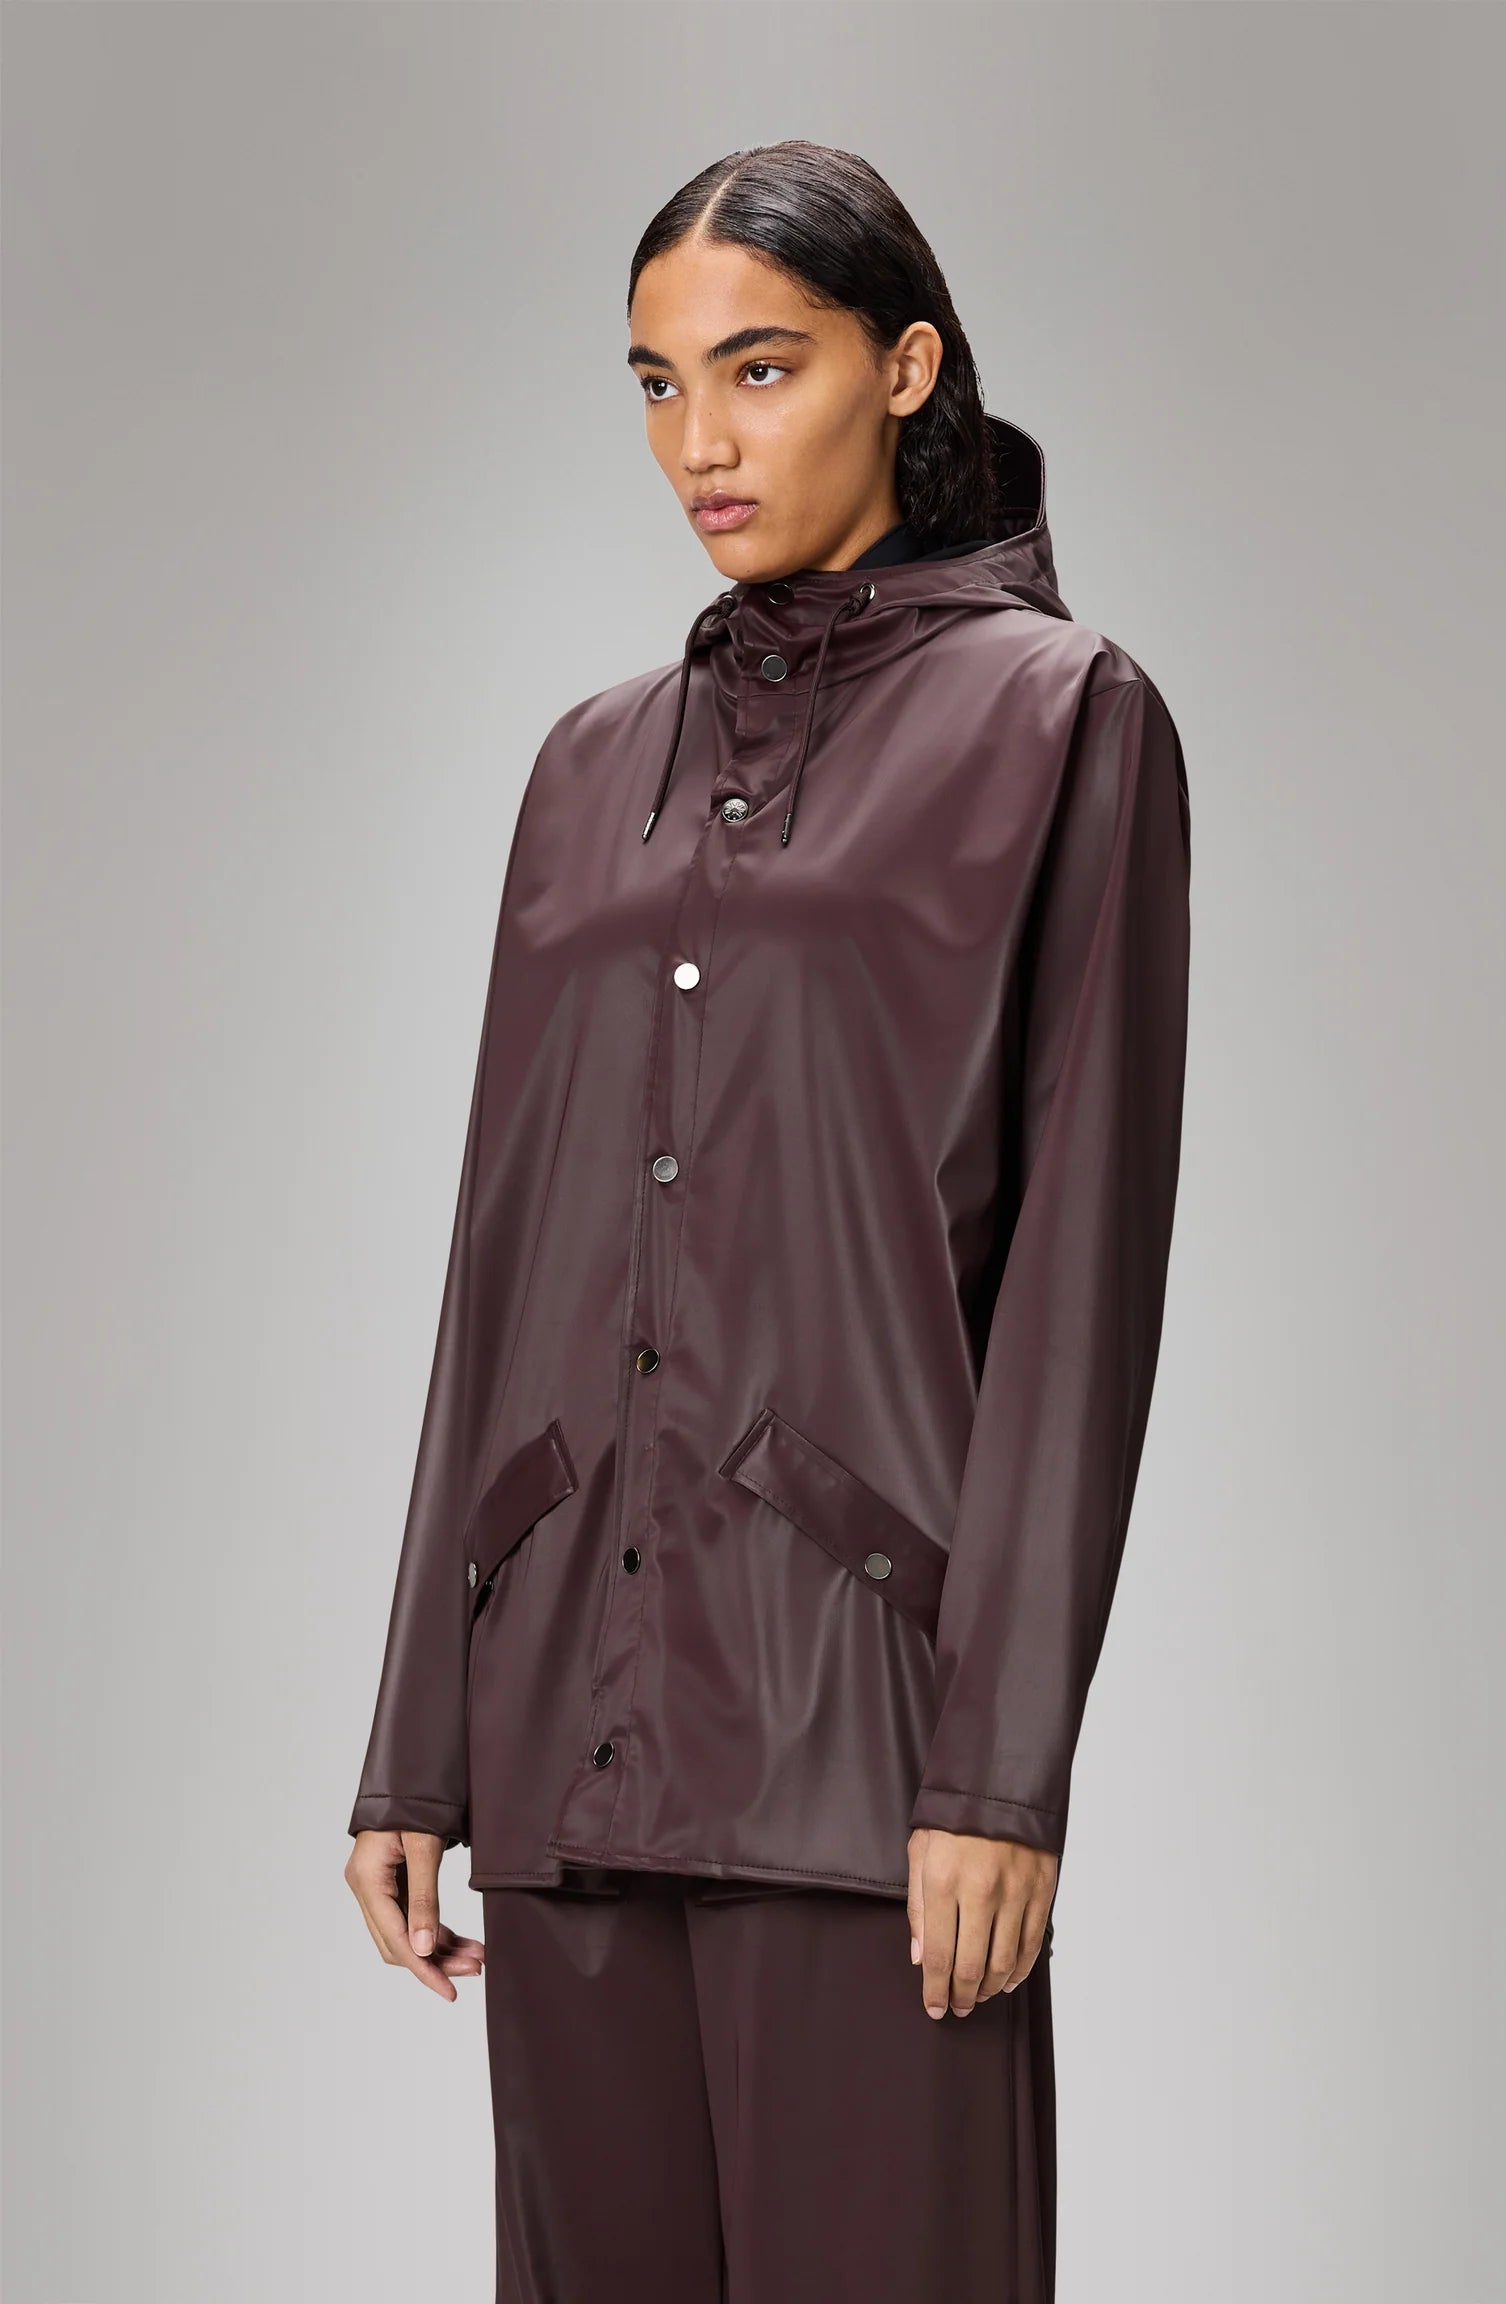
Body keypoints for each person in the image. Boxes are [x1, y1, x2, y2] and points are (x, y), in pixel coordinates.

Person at [344, 138, 1192, 2304]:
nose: (698, 443)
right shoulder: (585, 766)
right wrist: (418, 1736)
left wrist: (998, 1779)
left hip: (863, 1743)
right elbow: (497, 1257)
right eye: (655, 384)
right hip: (562, 1732)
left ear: (904, 366)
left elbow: (1080, 1288)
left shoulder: (1061, 719)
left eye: (758, 367)